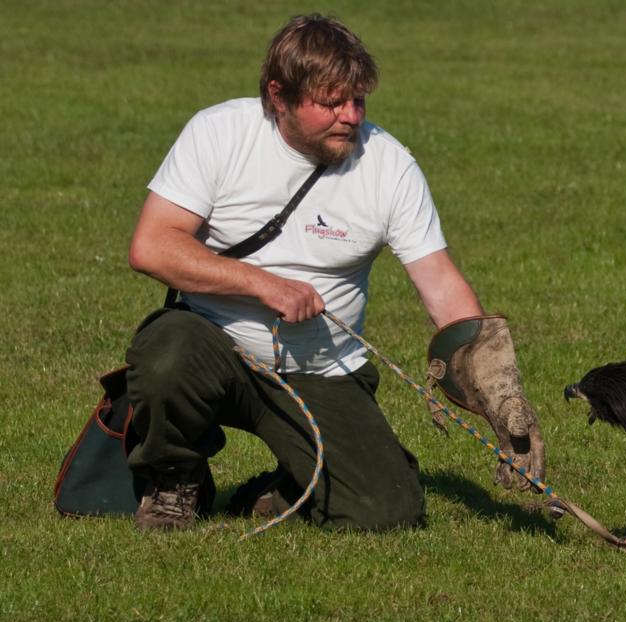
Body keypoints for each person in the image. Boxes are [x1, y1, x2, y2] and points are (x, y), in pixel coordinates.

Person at [125, 14, 545, 531]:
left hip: (322, 369)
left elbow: (440, 284)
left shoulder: (388, 165)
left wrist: (499, 391)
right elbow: (152, 246)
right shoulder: (219, 133)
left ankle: (276, 493)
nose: (350, 116)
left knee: (387, 513)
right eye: (331, 103)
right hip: (214, 350)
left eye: (358, 101)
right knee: (169, 351)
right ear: (279, 96)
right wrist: (262, 284)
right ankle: (172, 482)